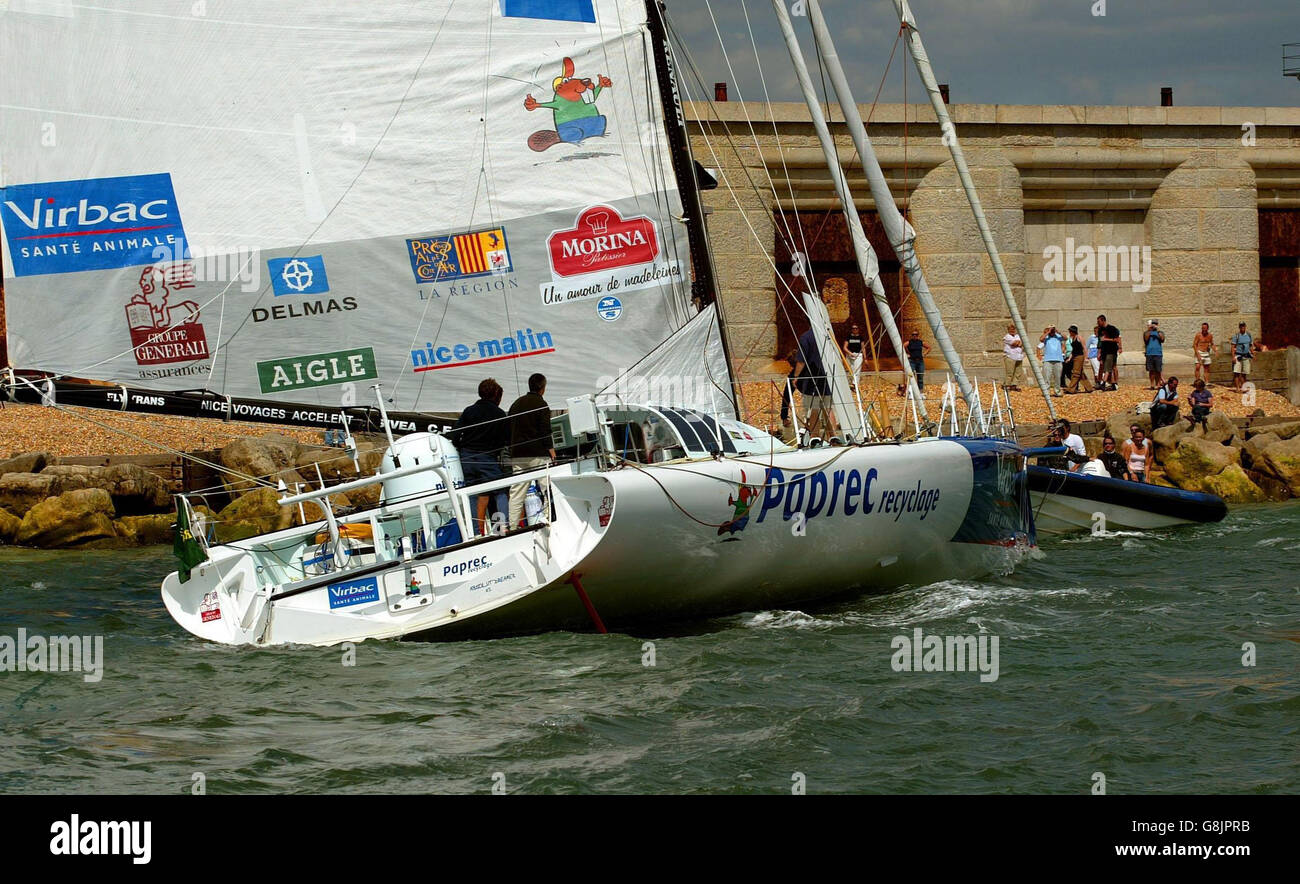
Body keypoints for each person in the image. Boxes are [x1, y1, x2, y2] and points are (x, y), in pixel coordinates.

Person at [450, 378, 511, 535]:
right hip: (487, 458)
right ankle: (502, 527)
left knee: (471, 495)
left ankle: (476, 532)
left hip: (467, 458)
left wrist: (461, 447)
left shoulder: (469, 411)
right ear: (496, 395)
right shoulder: (499, 414)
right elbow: (506, 439)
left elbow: (455, 435)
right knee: (500, 491)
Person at [507, 373, 556, 528]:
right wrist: (552, 451)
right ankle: (549, 520)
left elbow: (509, 428)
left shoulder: (515, 404)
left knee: (516, 493)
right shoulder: (542, 404)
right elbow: (545, 431)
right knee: (547, 487)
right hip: (537, 453)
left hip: (518, 454)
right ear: (543, 387)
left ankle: (513, 527)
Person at [793, 327, 840, 440]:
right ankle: (832, 436)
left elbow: (801, 360)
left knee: (814, 407)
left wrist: (796, 377)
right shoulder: (827, 335)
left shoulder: (806, 337)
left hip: (812, 376)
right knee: (828, 407)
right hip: (827, 375)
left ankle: (815, 436)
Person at [1064, 325, 1094, 394]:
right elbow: (1073, 350)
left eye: (1070, 331)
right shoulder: (1072, 338)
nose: (1069, 332)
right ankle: (1089, 388)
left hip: (1079, 356)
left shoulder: (1079, 338)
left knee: (1076, 373)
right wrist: (1069, 358)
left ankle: (1071, 389)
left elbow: (1084, 348)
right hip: (1074, 356)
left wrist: (1086, 357)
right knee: (1081, 374)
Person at [1038, 325, 1066, 396]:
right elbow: (1041, 339)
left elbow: (1066, 338)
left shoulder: (1058, 336)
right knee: (1046, 377)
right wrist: (1048, 332)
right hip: (1048, 359)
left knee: (1058, 377)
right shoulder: (1046, 337)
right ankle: (1046, 392)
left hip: (1058, 359)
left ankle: (1057, 391)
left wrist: (1058, 331)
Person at [1097, 314, 1122, 391]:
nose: (1098, 323)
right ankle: (1113, 383)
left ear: (1103, 320)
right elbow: (1100, 342)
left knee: (1109, 367)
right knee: (1108, 367)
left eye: (1099, 321)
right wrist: (1099, 352)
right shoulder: (1100, 330)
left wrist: (1106, 339)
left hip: (1111, 351)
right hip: (1104, 351)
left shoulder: (1112, 329)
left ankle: (1104, 383)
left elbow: (1117, 340)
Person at [1231, 322, 1256, 393]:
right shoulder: (1236, 336)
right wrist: (1233, 357)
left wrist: (1253, 353)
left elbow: (1250, 345)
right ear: (1239, 327)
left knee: (1244, 373)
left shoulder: (1248, 335)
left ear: (1245, 327)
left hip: (1246, 355)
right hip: (1238, 355)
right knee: (1237, 372)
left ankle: (1243, 387)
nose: (1242, 328)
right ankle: (1237, 388)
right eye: (1241, 326)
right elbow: (1232, 347)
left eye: (1243, 326)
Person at [1142, 319, 1165, 389]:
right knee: (1151, 370)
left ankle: (1158, 384)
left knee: (1158, 370)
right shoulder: (1146, 332)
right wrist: (1150, 330)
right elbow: (1146, 338)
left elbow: (1162, 339)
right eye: (1153, 324)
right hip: (1149, 353)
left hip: (1158, 353)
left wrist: (1157, 330)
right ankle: (1152, 384)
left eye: (1155, 324)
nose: (1154, 325)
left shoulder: (1160, 332)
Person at [1002, 323, 1024, 390]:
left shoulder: (1018, 336)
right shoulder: (1007, 336)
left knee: (1018, 372)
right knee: (1009, 372)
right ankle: (1006, 385)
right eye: (1011, 329)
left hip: (1019, 357)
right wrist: (1018, 342)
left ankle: (1014, 385)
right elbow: (1015, 343)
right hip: (1010, 356)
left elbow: (1021, 343)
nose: (1012, 330)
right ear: (1008, 330)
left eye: (1013, 329)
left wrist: (1018, 342)